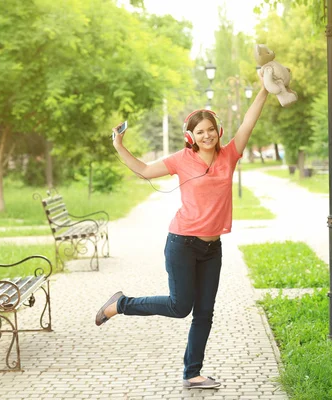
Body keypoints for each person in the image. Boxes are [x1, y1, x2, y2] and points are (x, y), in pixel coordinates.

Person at [95, 73, 270, 390]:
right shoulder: (182, 160)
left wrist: (264, 90)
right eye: (200, 132)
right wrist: (118, 145)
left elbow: (248, 123)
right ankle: (120, 305)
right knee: (180, 307)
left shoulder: (229, 155)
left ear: (219, 131)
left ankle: (193, 373)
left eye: (211, 131)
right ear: (191, 136)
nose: (207, 136)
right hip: (182, 243)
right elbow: (144, 170)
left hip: (212, 248)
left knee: (205, 313)